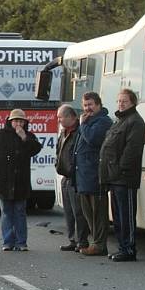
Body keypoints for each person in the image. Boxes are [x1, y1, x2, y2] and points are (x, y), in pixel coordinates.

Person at [99, 89, 145, 262]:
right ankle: (122, 247)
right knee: (117, 217)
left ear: (133, 102)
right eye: (118, 101)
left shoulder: (135, 122)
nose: (120, 104)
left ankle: (129, 249)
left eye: (124, 101)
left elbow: (131, 151)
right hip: (114, 177)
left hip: (125, 178)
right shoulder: (119, 121)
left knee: (126, 216)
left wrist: (119, 170)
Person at [0, 109, 42, 251]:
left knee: (20, 211)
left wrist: (24, 138)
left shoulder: (29, 136)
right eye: (15, 121)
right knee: (6, 212)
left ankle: (21, 242)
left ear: (25, 122)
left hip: (21, 181)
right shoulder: (0, 135)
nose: (18, 124)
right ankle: (8, 242)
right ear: (10, 121)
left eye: (21, 121)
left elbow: (36, 149)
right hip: (3, 180)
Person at [74, 92, 113, 257]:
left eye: (90, 105)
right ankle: (95, 243)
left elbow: (93, 139)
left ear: (98, 104)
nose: (87, 108)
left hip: (94, 173)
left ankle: (99, 244)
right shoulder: (89, 121)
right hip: (83, 174)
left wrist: (82, 125)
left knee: (98, 213)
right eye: (85, 105)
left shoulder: (103, 121)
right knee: (88, 212)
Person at [55, 105, 89, 252]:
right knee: (68, 211)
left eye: (60, 117)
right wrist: (57, 164)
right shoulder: (63, 132)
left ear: (70, 117)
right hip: (65, 176)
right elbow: (59, 151)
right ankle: (72, 240)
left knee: (78, 211)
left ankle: (82, 241)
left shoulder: (79, 131)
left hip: (75, 177)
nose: (59, 120)